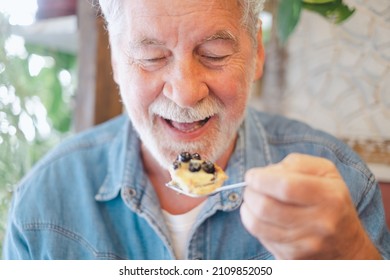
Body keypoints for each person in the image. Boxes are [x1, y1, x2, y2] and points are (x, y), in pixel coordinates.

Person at [3, 0, 389, 260]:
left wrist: (352, 255)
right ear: (118, 64)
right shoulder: (44, 203)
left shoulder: (342, 182)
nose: (186, 93)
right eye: (152, 58)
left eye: (214, 55)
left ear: (256, 54)